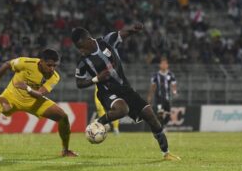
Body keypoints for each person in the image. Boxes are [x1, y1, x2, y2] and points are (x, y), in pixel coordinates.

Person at [71, 24, 180, 161]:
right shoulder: (83, 63)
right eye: (77, 48)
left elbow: (122, 33)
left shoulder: (106, 41)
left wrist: (133, 29)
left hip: (125, 88)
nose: (80, 50)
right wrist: (96, 78)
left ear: (88, 39)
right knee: (122, 110)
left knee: (151, 116)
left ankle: (166, 153)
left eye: (81, 46)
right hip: (106, 91)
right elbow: (79, 83)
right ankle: (98, 123)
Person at [0, 49, 78, 157]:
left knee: (63, 116)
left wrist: (27, 88)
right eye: (49, 65)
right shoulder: (26, 63)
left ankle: (65, 150)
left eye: (55, 66)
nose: (52, 69)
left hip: (34, 101)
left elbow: (40, 94)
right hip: (12, 97)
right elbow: (8, 64)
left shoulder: (55, 76)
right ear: (41, 61)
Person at [147, 57, 177, 128]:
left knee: (168, 115)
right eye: (162, 64)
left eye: (165, 64)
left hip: (167, 98)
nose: (164, 65)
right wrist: (150, 96)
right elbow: (153, 87)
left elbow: (173, 84)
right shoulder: (155, 75)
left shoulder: (171, 74)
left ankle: (164, 125)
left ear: (167, 65)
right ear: (160, 65)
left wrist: (174, 91)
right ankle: (161, 128)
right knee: (160, 112)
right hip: (158, 98)